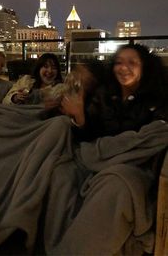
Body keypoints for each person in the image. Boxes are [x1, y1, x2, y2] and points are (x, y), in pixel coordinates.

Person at [44, 44, 168, 255]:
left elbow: (153, 137)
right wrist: (79, 117)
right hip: (95, 157)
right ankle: (56, 242)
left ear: (144, 67)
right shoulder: (104, 95)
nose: (123, 68)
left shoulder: (156, 98)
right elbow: (90, 133)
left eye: (132, 63)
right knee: (61, 172)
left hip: (134, 166)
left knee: (116, 185)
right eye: (119, 62)